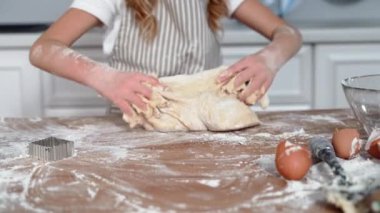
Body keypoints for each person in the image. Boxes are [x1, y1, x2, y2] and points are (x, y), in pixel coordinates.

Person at [29, 0, 302, 116]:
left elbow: (288, 34)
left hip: (204, 133)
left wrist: (269, 59)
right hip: (130, 134)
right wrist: (103, 77)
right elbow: (43, 49)